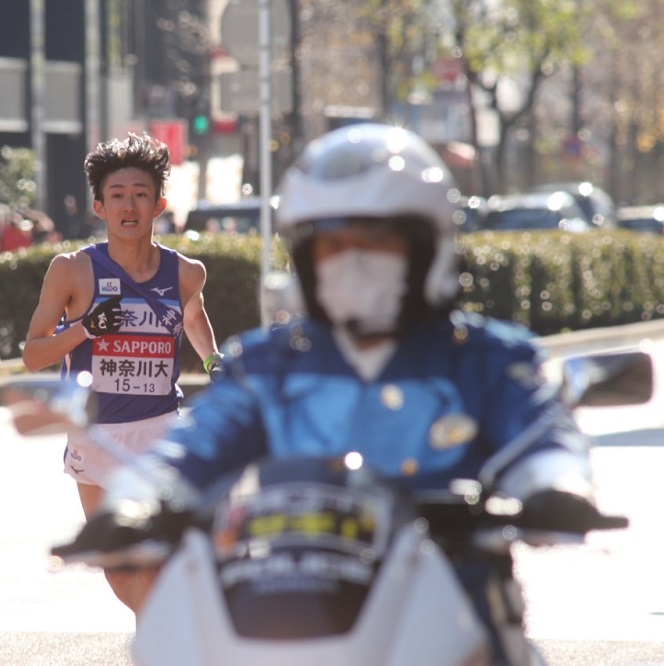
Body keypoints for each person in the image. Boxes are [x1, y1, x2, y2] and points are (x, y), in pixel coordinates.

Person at [106, 124, 602, 655]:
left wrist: (556, 486)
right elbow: (195, 446)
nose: (353, 259)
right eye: (333, 244)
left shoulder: (489, 359)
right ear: (304, 258)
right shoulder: (268, 365)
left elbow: (542, 435)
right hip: (282, 608)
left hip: (452, 614)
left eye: (378, 241)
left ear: (427, 246)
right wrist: (136, 500)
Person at [22, 132, 224, 612]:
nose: (128, 206)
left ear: (159, 204)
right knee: (121, 575)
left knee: (160, 572)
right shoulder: (72, 271)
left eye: (140, 195)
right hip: (97, 436)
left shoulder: (187, 274)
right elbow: (33, 355)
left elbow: (195, 321)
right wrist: (86, 329)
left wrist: (215, 361)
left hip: (161, 432)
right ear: (99, 206)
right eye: (117, 196)